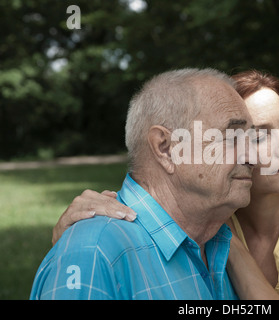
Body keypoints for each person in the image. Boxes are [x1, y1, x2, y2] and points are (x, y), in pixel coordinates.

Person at [51, 70, 279, 300]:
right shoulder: (200, 220)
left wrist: (228, 242)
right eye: (255, 136)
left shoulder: (211, 231)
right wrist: (77, 239)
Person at [30, 68, 257, 300]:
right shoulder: (94, 252)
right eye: (232, 137)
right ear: (166, 149)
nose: (254, 157)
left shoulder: (218, 245)